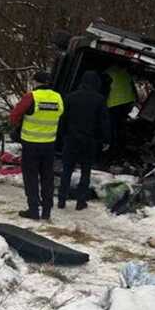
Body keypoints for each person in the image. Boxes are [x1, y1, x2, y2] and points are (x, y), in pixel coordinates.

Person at [10, 71, 64, 220]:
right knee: (47, 177)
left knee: (31, 177)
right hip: (49, 145)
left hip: (31, 144)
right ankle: (47, 211)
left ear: (35, 82)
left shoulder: (31, 97)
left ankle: (33, 210)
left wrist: (18, 126)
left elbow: (14, 115)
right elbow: (60, 115)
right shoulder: (58, 97)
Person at [57, 71, 111, 210]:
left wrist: (62, 135)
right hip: (89, 141)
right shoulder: (100, 100)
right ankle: (81, 201)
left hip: (71, 139)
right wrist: (105, 140)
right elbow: (103, 122)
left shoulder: (70, 97)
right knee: (85, 171)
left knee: (67, 170)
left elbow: (62, 119)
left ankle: (61, 199)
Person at [103, 64, 136, 153]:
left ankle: (111, 147)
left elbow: (105, 90)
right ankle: (118, 146)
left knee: (111, 126)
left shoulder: (108, 72)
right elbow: (133, 89)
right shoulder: (125, 74)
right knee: (119, 125)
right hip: (126, 102)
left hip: (113, 104)